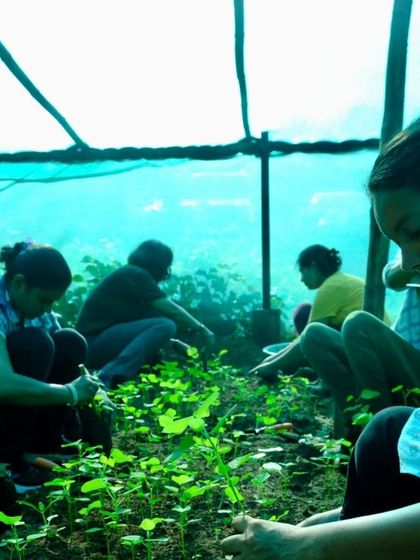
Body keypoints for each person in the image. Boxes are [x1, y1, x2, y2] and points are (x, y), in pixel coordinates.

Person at [221, 117, 420, 559]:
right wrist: (333, 523)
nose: (409, 260)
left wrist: (310, 545)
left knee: (350, 330)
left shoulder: (332, 286)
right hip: (396, 373)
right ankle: (356, 426)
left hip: (389, 360)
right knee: (387, 428)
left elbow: (305, 340)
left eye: (414, 231)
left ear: (315, 268)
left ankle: (363, 423)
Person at [0, 241, 100, 484]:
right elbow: (3, 384)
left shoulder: (36, 311)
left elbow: (64, 354)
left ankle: (41, 450)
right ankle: (9, 460)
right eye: (43, 300)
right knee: (34, 344)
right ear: (18, 283)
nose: (47, 309)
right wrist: (70, 393)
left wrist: (96, 392)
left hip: (18, 407)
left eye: (52, 303)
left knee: (69, 341)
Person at [76, 239, 214, 388]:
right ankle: (109, 375)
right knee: (166, 325)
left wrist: (173, 344)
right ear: (159, 265)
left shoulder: (135, 282)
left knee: (156, 340)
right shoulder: (135, 274)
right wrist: (202, 329)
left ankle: (149, 389)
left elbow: (141, 334)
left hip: (94, 346)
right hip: (90, 346)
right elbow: (172, 310)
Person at [250, 245, 365, 380]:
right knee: (305, 313)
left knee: (308, 322)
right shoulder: (340, 280)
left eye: (302, 271)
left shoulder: (331, 286)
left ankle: (330, 379)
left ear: (313, 266)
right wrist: (270, 361)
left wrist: (272, 366)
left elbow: (310, 337)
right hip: (362, 341)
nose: (301, 279)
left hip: (360, 350)